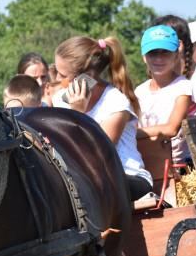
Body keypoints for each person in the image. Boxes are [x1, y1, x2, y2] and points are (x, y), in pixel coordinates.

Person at [50, 35, 154, 201]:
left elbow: (98, 154)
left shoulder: (116, 103)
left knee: (88, 187)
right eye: (56, 71)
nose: (56, 79)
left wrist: (78, 114)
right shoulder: (60, 99)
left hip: (128, 178)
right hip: (87, 179)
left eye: (62, 75)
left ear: (86, 78)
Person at [134, 25, 193, 164]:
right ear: (144, 57)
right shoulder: (139, 91)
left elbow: (171, 129)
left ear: (177, 55)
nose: (159, 59)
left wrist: (132, 134)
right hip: (145, 159)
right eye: (153, 53)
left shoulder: (183, 87)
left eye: (165, 52)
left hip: (175, 164)